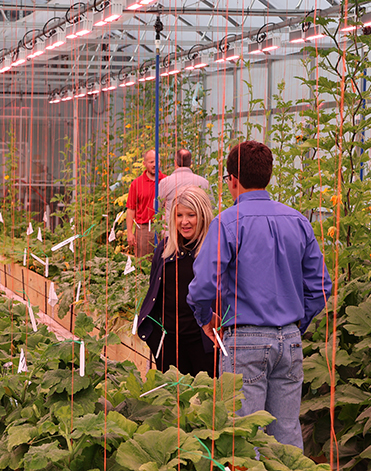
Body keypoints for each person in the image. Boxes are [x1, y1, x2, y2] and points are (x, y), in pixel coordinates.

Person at [187, 141, 331, 450]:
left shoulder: (227, 222)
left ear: (232, 180)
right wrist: (294, 326)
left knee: (244, 437)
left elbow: (201, 288)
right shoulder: (298, 221)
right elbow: (320, 287)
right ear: (268, 176)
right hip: (289, 342)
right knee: (287, 435)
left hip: (245, 341)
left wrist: (206, 319)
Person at [137, 186, 217, 377]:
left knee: (203, 400)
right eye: (179, 215)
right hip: (169, 343)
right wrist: (156, 336)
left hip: (203, 344)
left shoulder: (214, 251)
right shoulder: (165, 249)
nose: (184, 222)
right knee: (171, 402)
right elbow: (155, 291)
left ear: (203, 216)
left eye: (191, 215)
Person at [126, 149, 166, 258]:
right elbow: (131, 209)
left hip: (163, 228)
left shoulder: (166, 181)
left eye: (157, 162)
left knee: (164, 263)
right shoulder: (137, 184)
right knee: (143, 264)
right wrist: (129, 232)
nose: (154, 165)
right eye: (151, 162)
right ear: (144, 164)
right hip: (143, 229)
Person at [158, 148, 211, 223]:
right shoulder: (203, 182)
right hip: (196, 229)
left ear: (175, 163)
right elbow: (210, 206)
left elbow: (157, 206)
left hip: (171, 229)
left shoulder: (165, 182)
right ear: (191, 163)